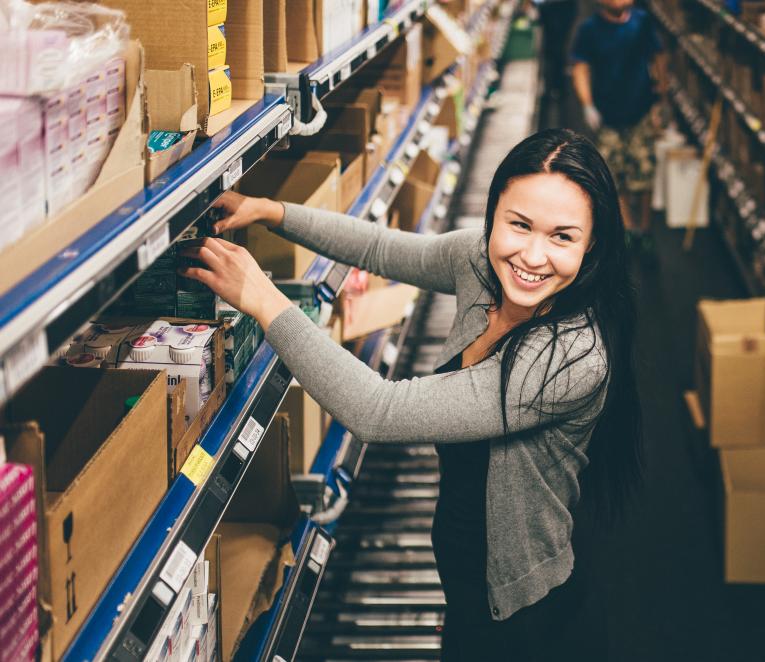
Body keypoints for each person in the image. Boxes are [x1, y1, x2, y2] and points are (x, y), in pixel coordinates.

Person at [180, 129, 642, 661]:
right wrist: (273, 211)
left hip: (525, 617)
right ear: (495, 215)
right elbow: (381, 248)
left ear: (592, 246)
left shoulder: (569, 356)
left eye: (562, 237)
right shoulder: (482, 263)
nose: (532, 256)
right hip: (470, 587)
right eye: (519, 225)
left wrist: (262, 298)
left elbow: (378, 412)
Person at [571, 0, 668, 258]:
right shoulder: (590, 29)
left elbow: (658, 57)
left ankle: (645, 229)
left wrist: (661, 97)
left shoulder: (643, 22)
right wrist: (587, 105)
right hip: (608, 116)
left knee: (645, 173)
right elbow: (580, 68)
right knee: (615, 175)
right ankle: (627, 227)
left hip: (640, 113)